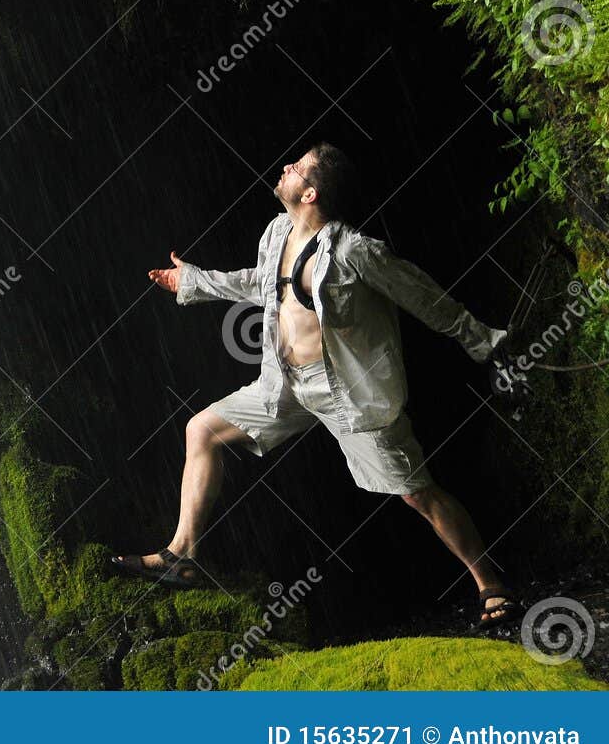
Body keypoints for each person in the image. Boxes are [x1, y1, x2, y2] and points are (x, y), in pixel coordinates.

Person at [111, 142, 523, 629]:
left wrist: (486, 342)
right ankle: (183, 554)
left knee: (417, 492)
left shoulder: (355, 252)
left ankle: (490, 582)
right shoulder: (277, 232)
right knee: (200, 430)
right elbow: (260, 282)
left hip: (347, 393)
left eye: (298, 167)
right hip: (284, 385)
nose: (285, 166)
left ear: (310, 192)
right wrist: (195, 282)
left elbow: (423, 297)